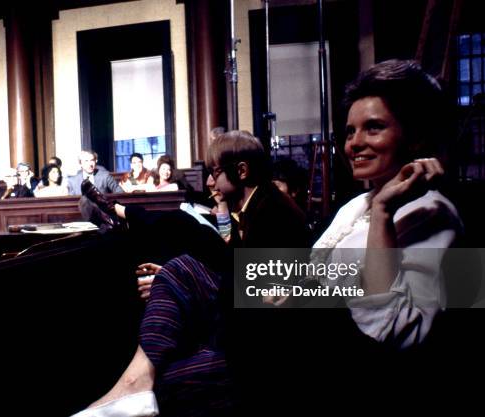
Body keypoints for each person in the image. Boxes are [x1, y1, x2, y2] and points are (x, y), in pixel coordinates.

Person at [73, 131, 309, 417]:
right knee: (176, 266)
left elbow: (265, 303)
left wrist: (191, 296)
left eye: (215, 173)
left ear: (242, 171)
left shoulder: (274, 212)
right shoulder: (254, 207)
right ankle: (134, 383)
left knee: (179, 269)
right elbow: (238, 275)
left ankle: (135, 383)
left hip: (260, 348)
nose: (210, 182)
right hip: (242, 324)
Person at [306, 59, 462, 347]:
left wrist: (383, 213)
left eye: (373, 128)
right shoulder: (354, 206)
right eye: (350, 131)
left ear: (415, 137)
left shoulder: (433, 213)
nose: (353, 143)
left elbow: (396, 331)